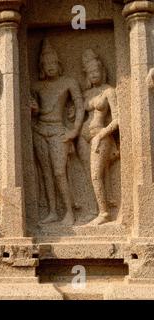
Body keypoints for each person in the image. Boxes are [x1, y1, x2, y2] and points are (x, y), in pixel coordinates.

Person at [31, 39, 84, 226]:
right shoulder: (37, 86)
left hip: (58, 131)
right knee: (45, 172)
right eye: (47, 64)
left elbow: (79, 105)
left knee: (59, 172)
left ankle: (69, 211)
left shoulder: (68, 82)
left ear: (59, 64)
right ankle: (53, 211)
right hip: (39, 130)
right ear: (42, 67)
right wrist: (34, 108)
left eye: (53, 63)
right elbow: (34, 108)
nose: (50, 67)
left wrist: (75, 130)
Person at [78, 49, 120, 226]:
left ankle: (104, 213)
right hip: (83, 137)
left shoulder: (109, 91)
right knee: (88, 175)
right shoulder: (87, 93)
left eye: (97, 71)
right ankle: (92, 209)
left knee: (96, 175)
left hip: (100, 136)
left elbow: (118, 119)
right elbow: (77, 115)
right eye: (90, 72)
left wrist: (102, 134)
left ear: (102, 71)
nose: (94, 75)